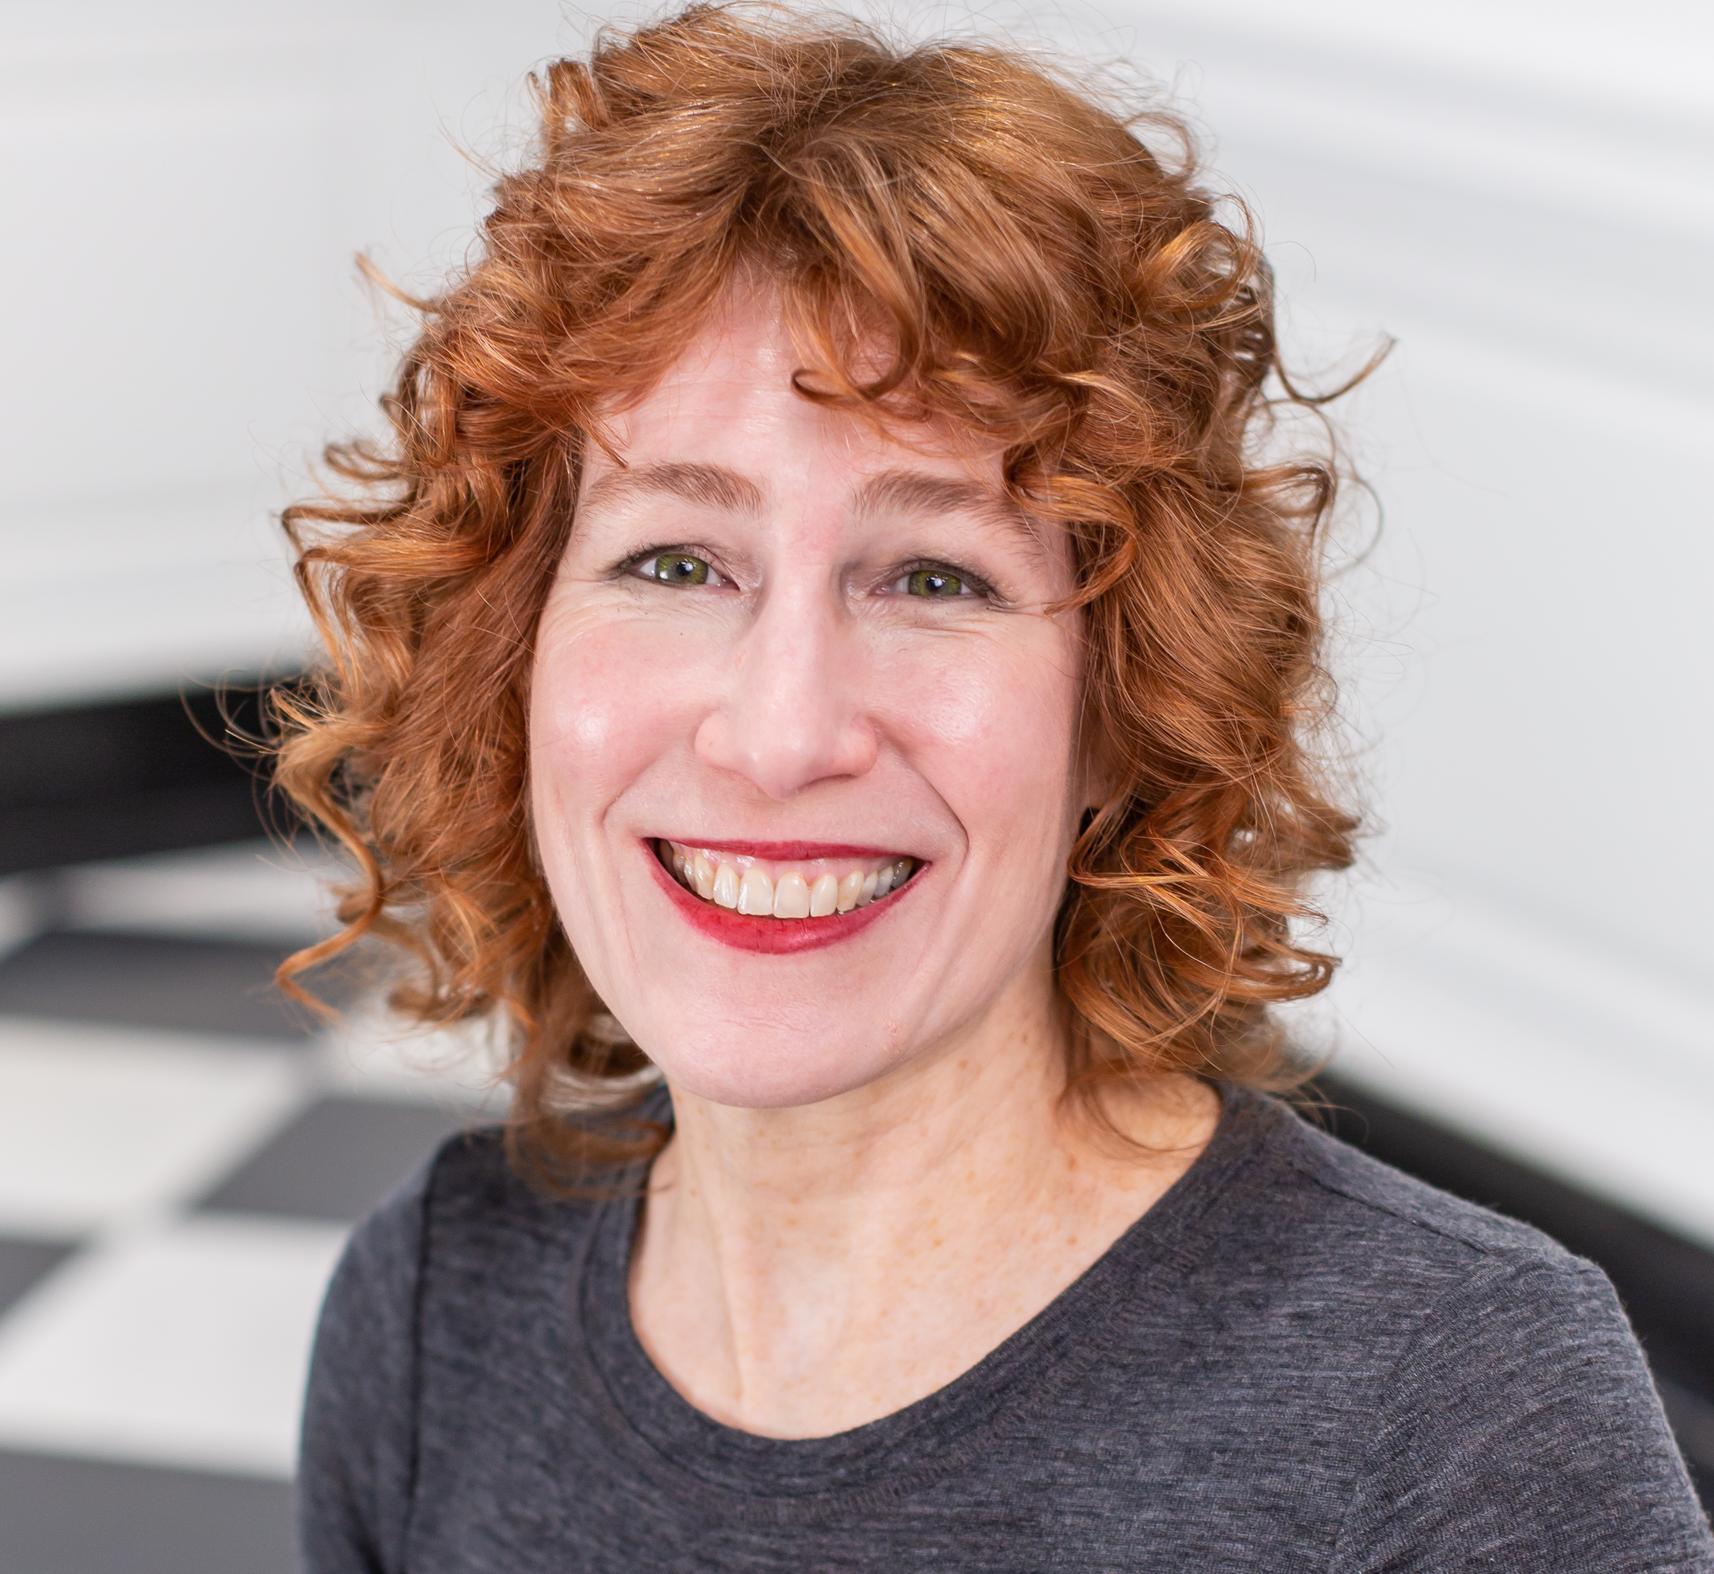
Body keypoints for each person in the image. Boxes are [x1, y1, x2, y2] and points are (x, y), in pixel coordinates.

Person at [275, 3, 1714, 1568]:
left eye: (933, 577)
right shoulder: (435, 1307)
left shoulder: (1455, 1422)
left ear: (1124, 706)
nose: (780, 731)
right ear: (516, 661)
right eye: (676, 559)